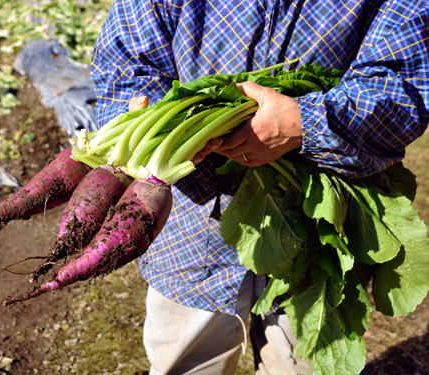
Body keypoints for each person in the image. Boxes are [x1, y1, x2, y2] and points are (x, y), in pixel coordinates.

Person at [90, 1, 429, 374]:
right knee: (186, 360)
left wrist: (304, 123)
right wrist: (174, 132)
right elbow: (125, 61)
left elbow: (402, 84)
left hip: (314, 220)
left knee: (299, 362)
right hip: (192, 225)